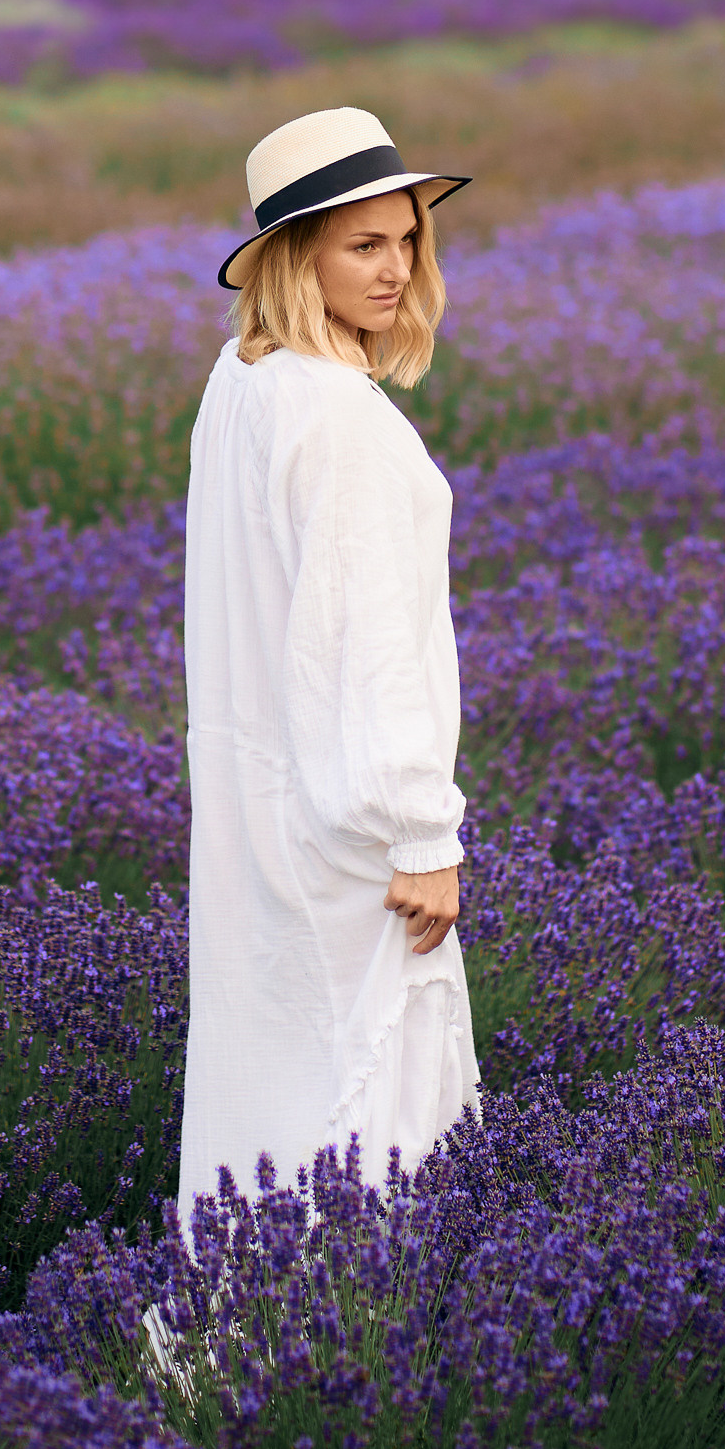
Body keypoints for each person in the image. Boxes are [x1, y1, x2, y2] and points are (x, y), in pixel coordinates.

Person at [176, 105, 481, 1240]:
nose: (397, 268)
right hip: (353, 840)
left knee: (271, 1094)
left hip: (264, 820)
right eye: (363, 245)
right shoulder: (338, 419)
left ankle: (236, 1361)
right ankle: (361, 1377)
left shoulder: (242, 386)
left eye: (405, 240)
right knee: (375, 1121)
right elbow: (363, 642)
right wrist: (418, 834)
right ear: (292, 256)